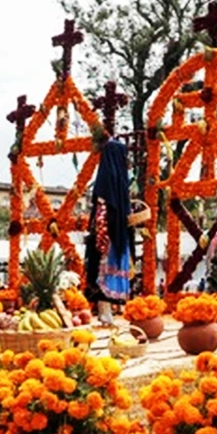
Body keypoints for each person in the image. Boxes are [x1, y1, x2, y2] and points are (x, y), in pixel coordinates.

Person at [85, 138, 132, 324]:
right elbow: (102, 208)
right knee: (104, 269)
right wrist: (103, 233)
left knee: (107, 269)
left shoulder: (115, 176)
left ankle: (106, 310)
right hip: (108, 231)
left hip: (114, 230)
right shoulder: (110, 178)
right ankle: (104, 311)